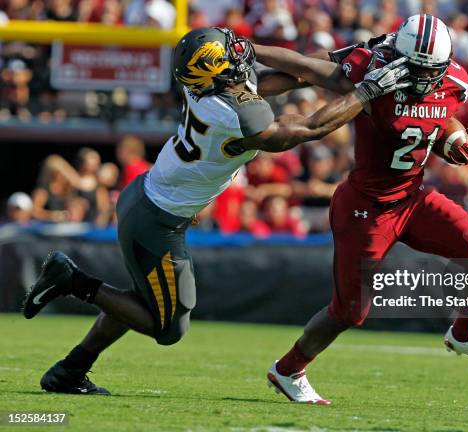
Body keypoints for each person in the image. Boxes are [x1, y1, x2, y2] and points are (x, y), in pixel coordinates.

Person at [22, 26, 411, 395]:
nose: (241, 53)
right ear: (219, 72)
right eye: (233, 53)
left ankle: (69, 370)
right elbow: (308, 127)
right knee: (169, 325)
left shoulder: (213, 88)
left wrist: (350, 59)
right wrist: (366, 91)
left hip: (149, 200)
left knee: (145, 300)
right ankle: (71, 281)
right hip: (156, 219)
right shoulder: (235, 114)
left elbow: (298, 74)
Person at [254, 13, 468, 405]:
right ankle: (288, 369)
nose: (420, 75)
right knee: (349, 313)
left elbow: (439, 113)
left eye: (427, 69)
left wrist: (452, 134)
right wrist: (250, 57)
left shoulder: (456, 81)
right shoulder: (369, 70)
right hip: (366, 206)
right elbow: (306, 70)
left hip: (413, 196)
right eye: (413, 66)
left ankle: (464, 335)